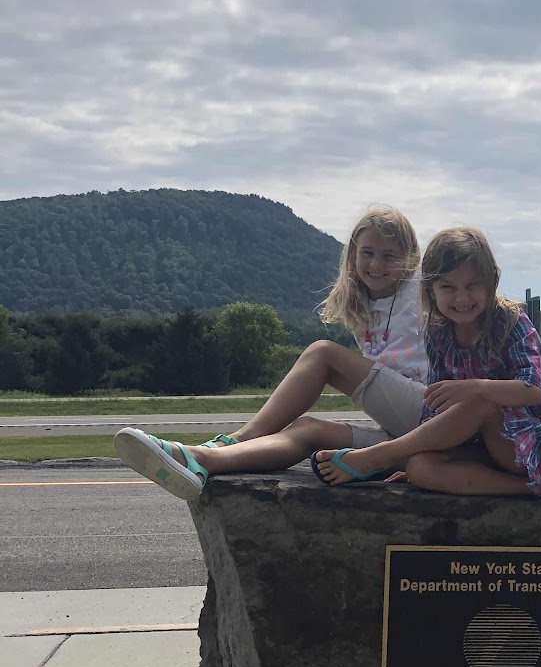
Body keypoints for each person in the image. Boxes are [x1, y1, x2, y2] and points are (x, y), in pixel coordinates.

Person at [112, 205, 429, 500]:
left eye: (389, 256)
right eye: (367, 253)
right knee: (307, 429)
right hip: (409, 438)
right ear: (353, 256)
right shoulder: (365, 308)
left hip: (432, 417)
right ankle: (202, 460)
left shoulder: (422, 292)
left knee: (323, 354)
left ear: (411, 258)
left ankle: (238, 438)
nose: (376, 264)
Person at [314, 226, 541, 506]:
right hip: (480, 444)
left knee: (481, 401)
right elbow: (436, 405)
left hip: (530, 441)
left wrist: (475, 388)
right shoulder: (437, 331)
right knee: (419, 468)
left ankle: (382, 455)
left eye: (473, 285)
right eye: (448, 287)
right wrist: (428, 449)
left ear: (491, 281)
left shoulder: (511, 322)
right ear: (431, 291)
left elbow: (533, 390)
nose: (462, 298)